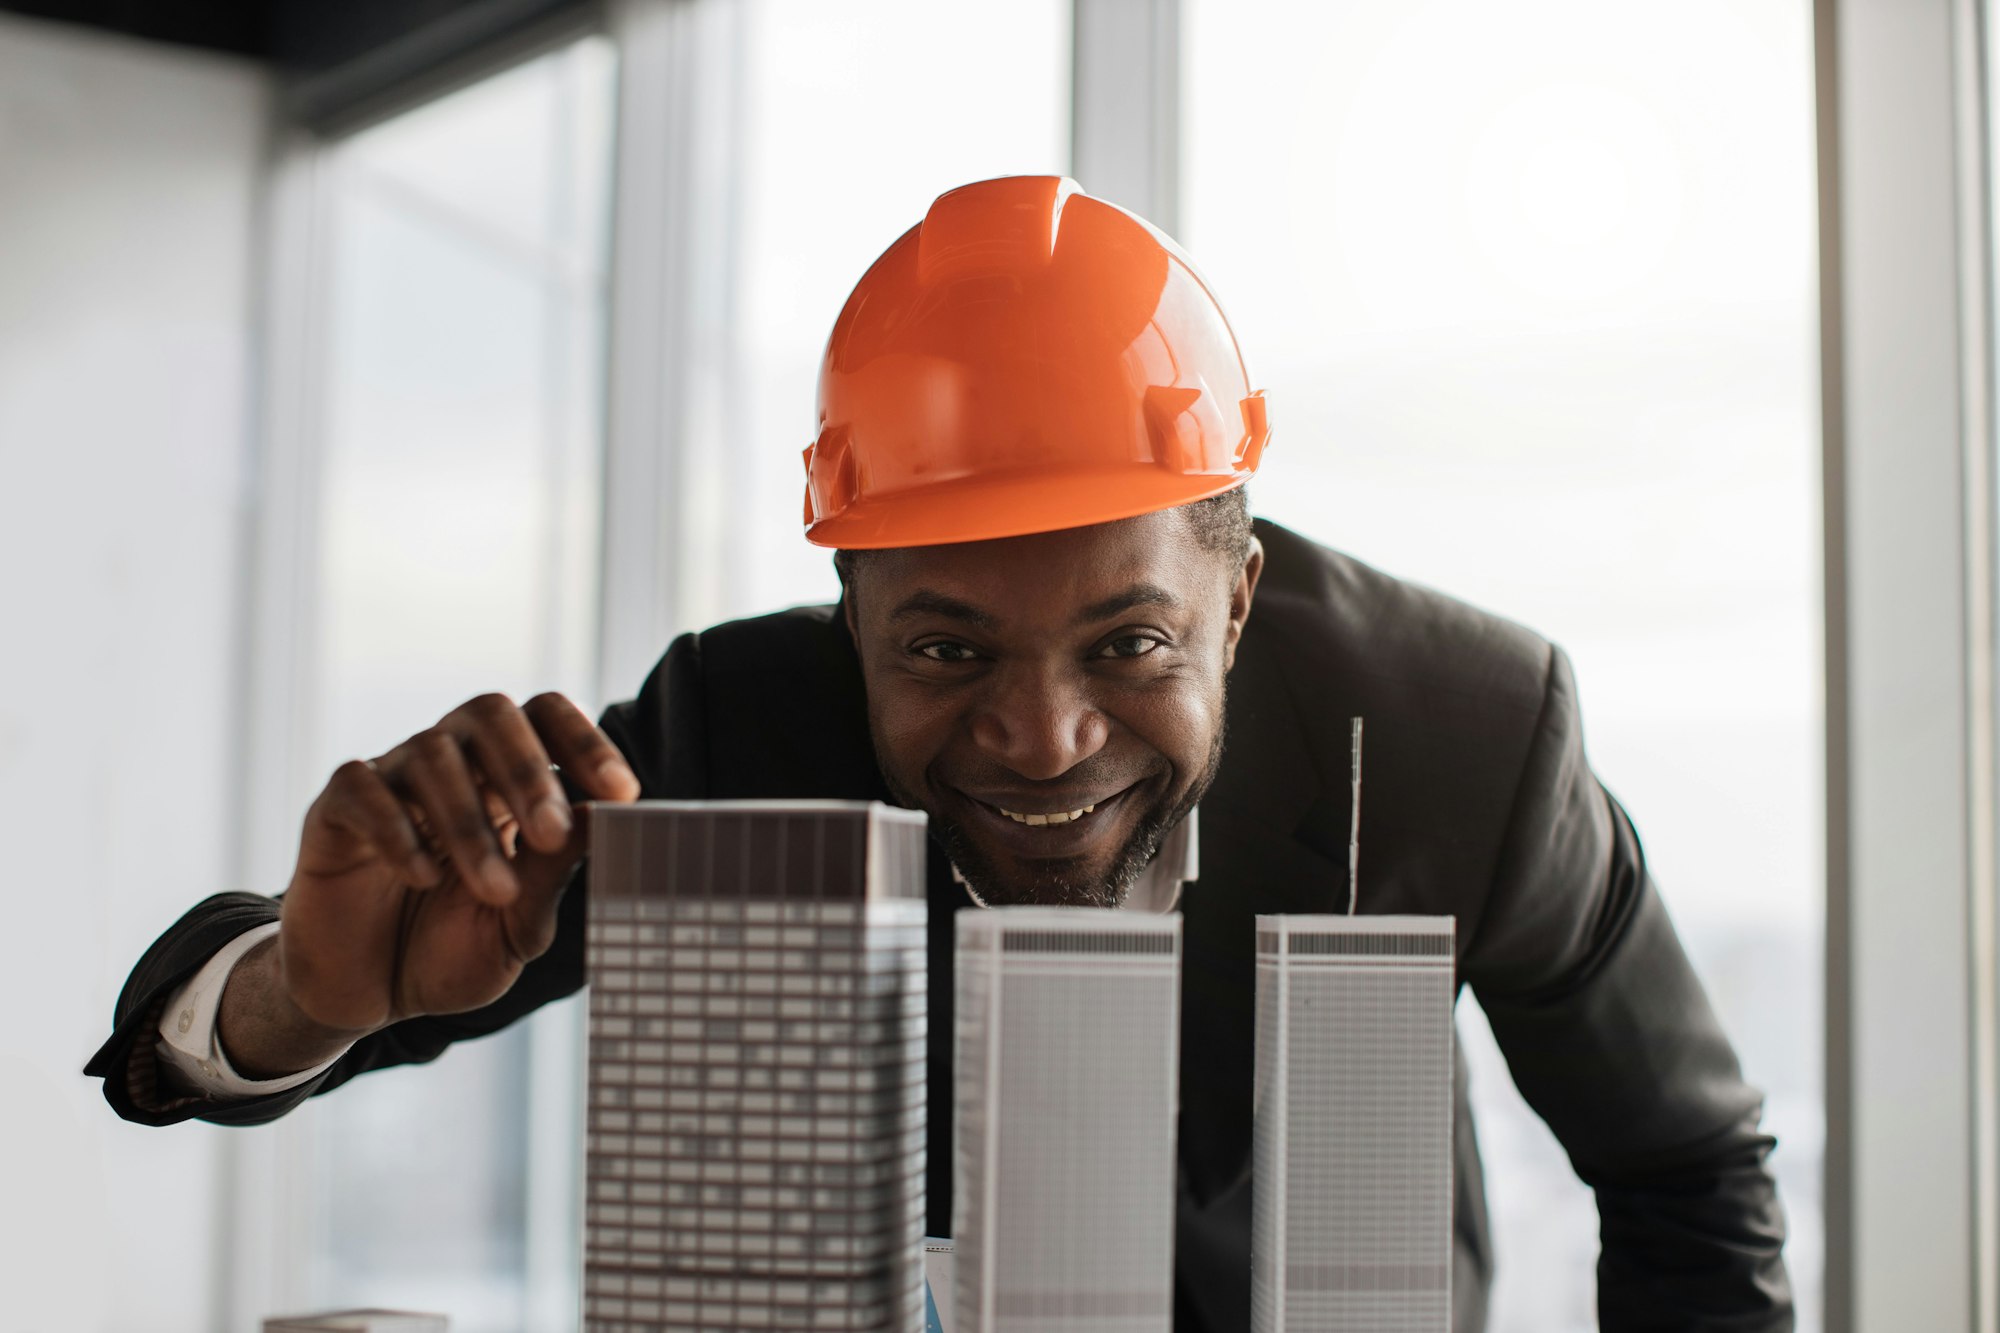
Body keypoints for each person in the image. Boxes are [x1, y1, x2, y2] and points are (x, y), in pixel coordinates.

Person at [87, 176, 1792, 1331]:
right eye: (946, 647)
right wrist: (300, 998)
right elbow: (253, 1020)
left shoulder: (1460, 739)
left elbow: (1686, 1169)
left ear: (1240, 594)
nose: (1041, 737)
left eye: (1129, 642)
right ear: (851, 618)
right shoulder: (743, 733)